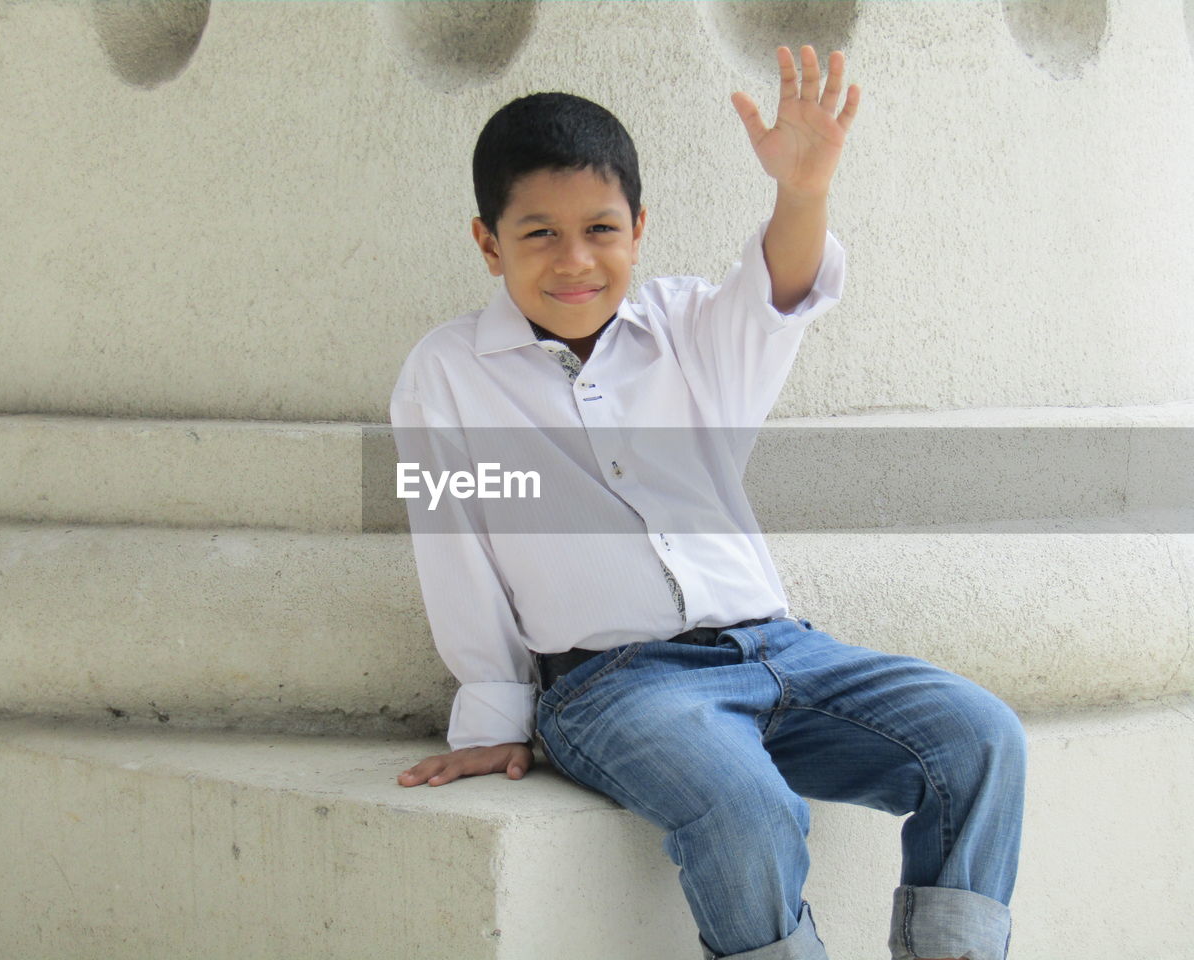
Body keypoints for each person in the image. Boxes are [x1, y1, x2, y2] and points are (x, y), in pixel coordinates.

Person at [389, 46, 1026, 960]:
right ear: (488, 241)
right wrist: (493, 715)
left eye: (601, 229)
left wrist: (802, 191)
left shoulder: (689, 331)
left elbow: (779, 295)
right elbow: (452, 551)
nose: (575, 260)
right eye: (538, 234)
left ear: (639, 227)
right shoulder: (445, 378)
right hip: (618, 688)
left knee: (979, 736)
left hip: (784, 652)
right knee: (748, 803)